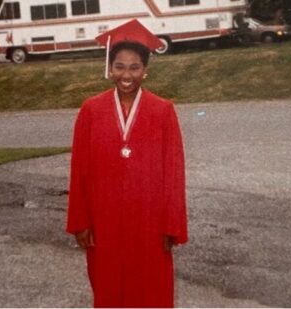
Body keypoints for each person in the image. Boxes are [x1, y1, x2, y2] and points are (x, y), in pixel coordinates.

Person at [66, 19, 187, 308]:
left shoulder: (163, 111)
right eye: (119, 66)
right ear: (109, 68)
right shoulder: (91, 110)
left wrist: (173, 224)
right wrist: (81, 221)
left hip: (150, 221)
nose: (126, 74)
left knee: (151, 288)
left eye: (135, 67)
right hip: (103, 218)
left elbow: (174, 171)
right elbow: (79, 169)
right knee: (108, 287)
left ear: (146, 70)